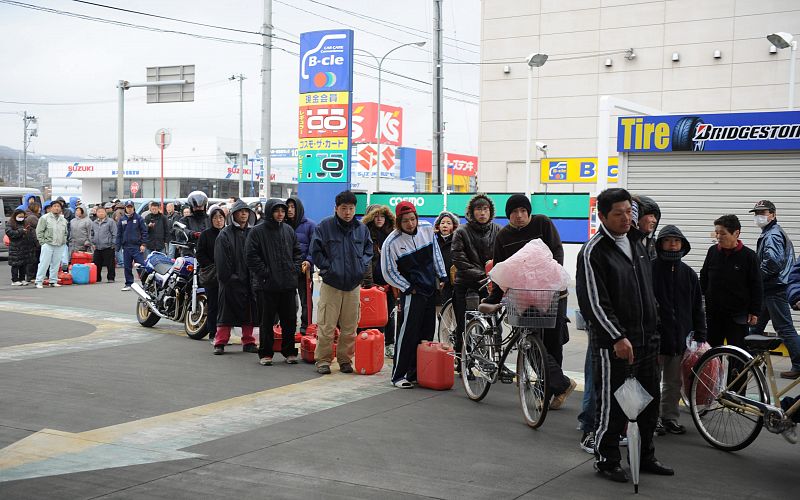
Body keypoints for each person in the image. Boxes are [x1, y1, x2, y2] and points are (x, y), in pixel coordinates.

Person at [576, 188, 673, 484]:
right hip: (614, 344)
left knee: (648, 402)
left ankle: (644, 456)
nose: (625, 218)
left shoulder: (638, 244)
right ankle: (607, 460)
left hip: (646, 340)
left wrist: (656, 328)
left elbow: (647, 291)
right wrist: (617, 336)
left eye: (628, 212)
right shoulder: (593, 251)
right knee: (613, 404)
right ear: (602, 216)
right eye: (618, 213)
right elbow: (594, 302)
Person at [486, 194, 576, 409]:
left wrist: (553, 280)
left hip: (553, 294)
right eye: (514, 212)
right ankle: (559, 385)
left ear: (529, 212)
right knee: (529, 342)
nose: (519, 215)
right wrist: (495, 296)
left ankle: (550, 391)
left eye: (523, 211)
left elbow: (557, 252)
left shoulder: (542, 223)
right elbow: (501, 268)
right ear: (508, 215)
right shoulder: (503, 236)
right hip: (524, 298)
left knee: (553, 343)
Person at [381, 201, 447, 388]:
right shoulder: (391, 242)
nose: (410, 224)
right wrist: (408, 288)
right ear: (398, 222)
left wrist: (442, 275)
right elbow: (388, 271)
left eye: (412, 219)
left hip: (430, 289)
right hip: (412, 293)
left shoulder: (426, 228)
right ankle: (398, 376)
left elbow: (436, 253)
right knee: (408, 334)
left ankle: (416, 373)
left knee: (427, 333)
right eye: (405, 221)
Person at [309, 190, 373, 375]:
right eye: (344, 208)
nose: (348, 212)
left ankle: (345, 360)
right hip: (331, 284)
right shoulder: (325, 226)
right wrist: (328, 269)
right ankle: (323, 360)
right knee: (327, 325)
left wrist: (360, 267)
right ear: (336, 208)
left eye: (351, 208)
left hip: (353, 285)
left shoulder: (361, 229)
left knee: (350, 327)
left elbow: (368, 251)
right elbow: (316, 251)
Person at [652, 225, 706, 436]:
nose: (673, 244)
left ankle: (669, 418)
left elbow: (697, 306)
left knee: (673, 383)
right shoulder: (650, 269)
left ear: (683, 244)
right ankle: (651, 419)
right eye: (668, 240)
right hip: (655, 338)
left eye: (676, 241)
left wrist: (700, 334)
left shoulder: (689, 274)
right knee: (650, 382)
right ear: (660, 244)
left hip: (679, 339)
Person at [746, 200, 800, 379]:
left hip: (775, 288)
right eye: (756, 213)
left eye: (762, 212)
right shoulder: (770, 232)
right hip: (770, 288)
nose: (758, 216)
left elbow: (772, 263)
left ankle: (799, 364)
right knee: (755, 327)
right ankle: (748, 361)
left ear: (773, 214)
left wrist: (756, 278)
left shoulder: (773, 235)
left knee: (784, 328)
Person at [247, 199, 303, 365]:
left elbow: (297, 252)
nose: (280, 214)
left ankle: (289, 351)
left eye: (283, 211)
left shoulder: (288, 230)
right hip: (266, 285)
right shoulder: (257, 231)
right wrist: (265, 273)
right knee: (267, 321)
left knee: (290, 320)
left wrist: (294, 269)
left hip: (287, 284)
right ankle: (266, 353)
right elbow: (251, 256)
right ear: (269, 212)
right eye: (277, 211)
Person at [700, 214, 762, 351]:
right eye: (717, 233)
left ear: (736, 233)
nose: (718, 237)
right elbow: (704, 277)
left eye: (723, 233)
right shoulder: (712, 252)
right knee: (712, 354)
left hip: (738, 316)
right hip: (714, 314)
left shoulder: (749, 256)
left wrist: (755, 311)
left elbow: (757, 285)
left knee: (737, 353)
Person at [451, 194, 500, 360]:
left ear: (490, 211)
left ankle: (495, 360)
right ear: (472, 212)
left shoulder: (498, 230)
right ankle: (461, 359)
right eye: (479, 209)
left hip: (490, 285)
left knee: (494, 325)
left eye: (486, 209)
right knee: (463, 324)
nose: (482, 213)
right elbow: (458, 259)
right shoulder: (461, 231)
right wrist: (483, 274)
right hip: (466, 284)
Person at [212, 200, 258, 355]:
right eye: (240, 211)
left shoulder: (253, 233)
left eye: (246, 211)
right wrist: (229, 277)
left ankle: (249, 341)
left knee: (249, 312)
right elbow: (221, 260)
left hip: (249, 280)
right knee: (226, 313)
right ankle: (220, 342)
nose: (244, 214)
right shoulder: (225, 234)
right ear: (234, 215)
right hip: (229, 282)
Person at [361, 204, 397, 357]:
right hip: (371, 283)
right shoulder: (365, 235)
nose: (379, 219)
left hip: (390, 283)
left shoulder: (393, 234)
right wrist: (368, 282)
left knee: (389, 315)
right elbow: (365, 260)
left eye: (382, 216)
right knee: (368, 315)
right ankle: (368, 343)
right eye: (376, 216)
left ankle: (389, 343)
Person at [286, 196, 317, 335]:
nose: (290, 210)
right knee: (289, 300)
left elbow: (314, 247)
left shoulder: (310, 225)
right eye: (288, 207)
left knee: (306, 300)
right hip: (287, 270)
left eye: (293, 207)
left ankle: (306, 326)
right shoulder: (283, 225)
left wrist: (309, 261)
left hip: (305, 269)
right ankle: (289, 325)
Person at [196, 205, 225, 345]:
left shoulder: (228, 233)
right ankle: (213, 334)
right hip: (212, 276)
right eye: (215, 218)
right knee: (213, 305)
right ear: (210, 220)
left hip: (226, 276)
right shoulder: (206, 235)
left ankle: (223, 334)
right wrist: (212, 265)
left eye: (221, 217)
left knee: (225, 307)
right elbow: (200, 254)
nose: (218, 220)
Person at [34, 199, 69, 288]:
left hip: (59, 244)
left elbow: (65, 232)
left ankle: (53, 281)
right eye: (55, 206)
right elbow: (39, 231)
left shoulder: (63, 219)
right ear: (51, 208)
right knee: (44, 263)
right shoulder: (44, 218)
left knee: (56, 264)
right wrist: (43, 242)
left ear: (61, 208)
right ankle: (39, 281)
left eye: (58, 206)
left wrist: (64, 241)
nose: (57, 208)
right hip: (48, 244)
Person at [116, 200, 148, 292]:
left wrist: (143, 244)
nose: (129, 209)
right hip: (126, 247)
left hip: (137, 247)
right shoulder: (122, 219)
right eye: (128, 207)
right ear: (125, 208)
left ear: (133, 208)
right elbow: (119, 234)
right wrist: (118, 246)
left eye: (131, 207)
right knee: (127, 266)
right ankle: (129, 283)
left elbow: (144, 232)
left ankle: (145, 284)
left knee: (141, 266)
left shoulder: (139, 218)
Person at [433, 211, 458, 306]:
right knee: (439, 311)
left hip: (453, 284)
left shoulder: (458, 242)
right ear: (438, 226)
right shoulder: (433, 242)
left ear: (454, 226)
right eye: (442, 223)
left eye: (448, 223)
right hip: (438, 285)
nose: (445, 225)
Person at [6, 208, 36, 286]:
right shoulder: (10, 223)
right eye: (19, 216)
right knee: (15, 265)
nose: (21, 218)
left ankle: (22, 279)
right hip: (15, 248)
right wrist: (21, 231)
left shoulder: (25, 223)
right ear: (15, 216)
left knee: (23, 264)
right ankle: (14, 280)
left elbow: (31, 233)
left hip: (25, 247)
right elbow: (10, 233)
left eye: (22, 216)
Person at [91, 204, 117, 283]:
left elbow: (115, 233)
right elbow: (92, 234)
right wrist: (93, 242)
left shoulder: (110, 222)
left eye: (102, 212)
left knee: (110, 264)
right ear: (96, 213)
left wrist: (113, 244)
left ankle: (111, 278)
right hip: (97, 246)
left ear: (105, 213)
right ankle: (97, 278)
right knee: (96, 263)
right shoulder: (94, 222)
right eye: (99, 212)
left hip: (108, 246)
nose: (101, 213)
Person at [179, 191, 209, 256]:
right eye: (196, 207)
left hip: (208, 251)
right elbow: (180, 231)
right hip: (190, 251)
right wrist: (193, 234)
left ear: (204, 206)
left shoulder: (210, 219)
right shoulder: (185, 219)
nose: (198, 209)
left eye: (200, 207)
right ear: (191, 207)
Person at [632, 195, 661, 260]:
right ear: (638, 217)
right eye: (651, 216)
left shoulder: (653, 243)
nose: (655, 220)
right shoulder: (627, 242)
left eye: (655, 216)